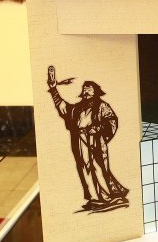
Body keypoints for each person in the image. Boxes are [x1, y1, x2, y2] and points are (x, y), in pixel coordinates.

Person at [46, 67, 129, 212]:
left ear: (95, 91)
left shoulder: (102, 106)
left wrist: (98, 128)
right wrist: (53, 89)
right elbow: (62, 106)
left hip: (95, 140)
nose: (86, 91)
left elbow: (112, 121)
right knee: (84, 167)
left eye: (89, 88)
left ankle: (110, 196)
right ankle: (95, 198)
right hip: (79, 140)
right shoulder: (77, 108)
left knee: (99, 167)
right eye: (84, 89)